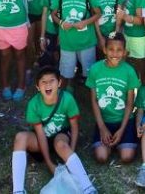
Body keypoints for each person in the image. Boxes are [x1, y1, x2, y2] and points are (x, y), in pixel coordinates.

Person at [12, 66, 96, 194]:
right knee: (20, 137)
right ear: (38, 87)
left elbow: (74, 126)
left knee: (60, 144)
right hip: (42, 139)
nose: (48, 85)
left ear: (60, 83)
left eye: (52, 80)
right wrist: (49, 163)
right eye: (43, 82)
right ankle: (17, 190)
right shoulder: (33, 104)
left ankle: (88, 187)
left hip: (61, 136)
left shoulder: (67, 99)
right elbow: (40, 135)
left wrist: (71, 151)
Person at [87, 32, 140, 165]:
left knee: (127, 157)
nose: (115, 54)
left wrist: (122, 129)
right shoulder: (95, 69)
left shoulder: (129, 71)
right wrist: (102, 127)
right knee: (101, 157)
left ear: (124, 52)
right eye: (111, 49)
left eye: (119, 50)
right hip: (104, 121)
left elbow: (129, 103)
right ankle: (109, 141)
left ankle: (121, 140)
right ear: (104, 50)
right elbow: (93, 100)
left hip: (124, 120)